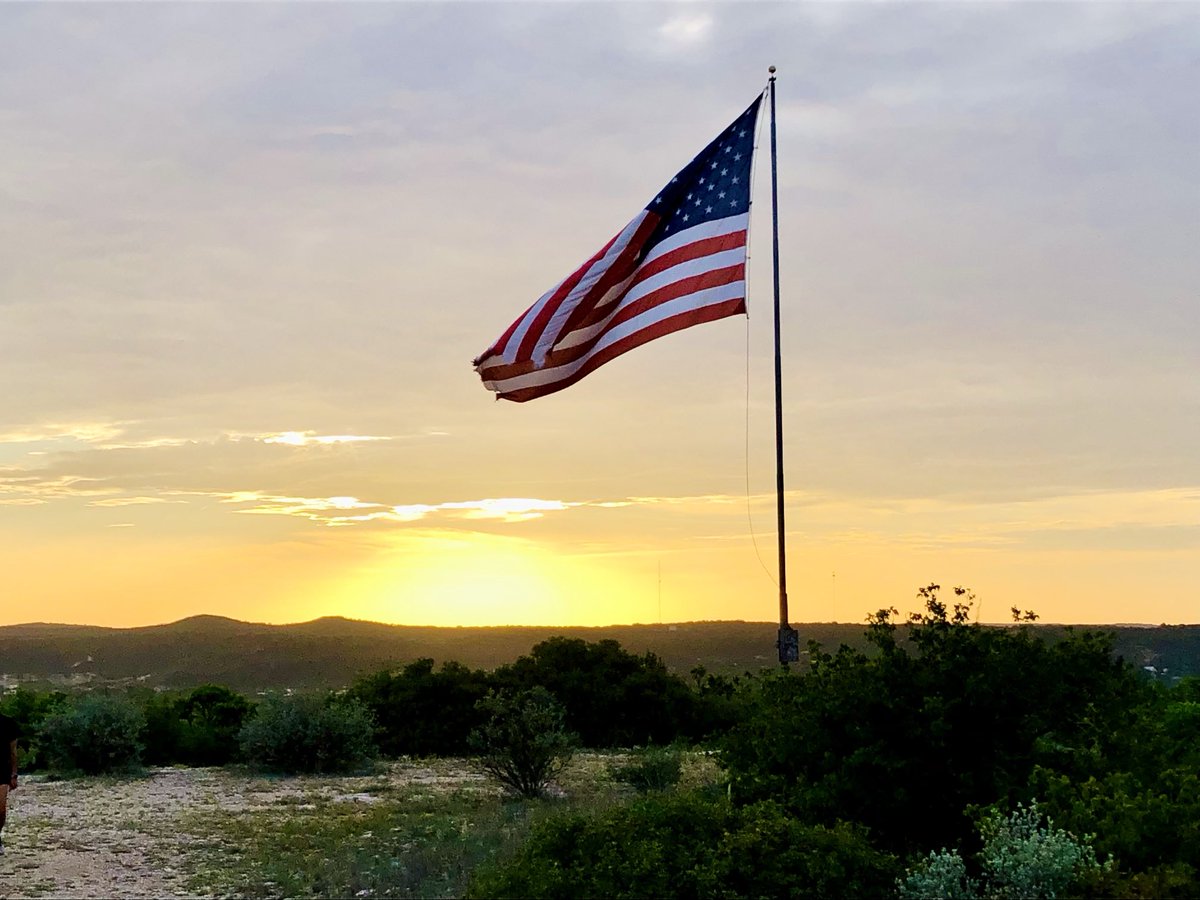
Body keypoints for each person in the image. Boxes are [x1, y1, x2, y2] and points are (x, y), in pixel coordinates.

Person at [0, 710, 18, 855]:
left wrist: (14, 773)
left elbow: (13, 750)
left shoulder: (8, 723)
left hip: (2, 771)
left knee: (1, 809)